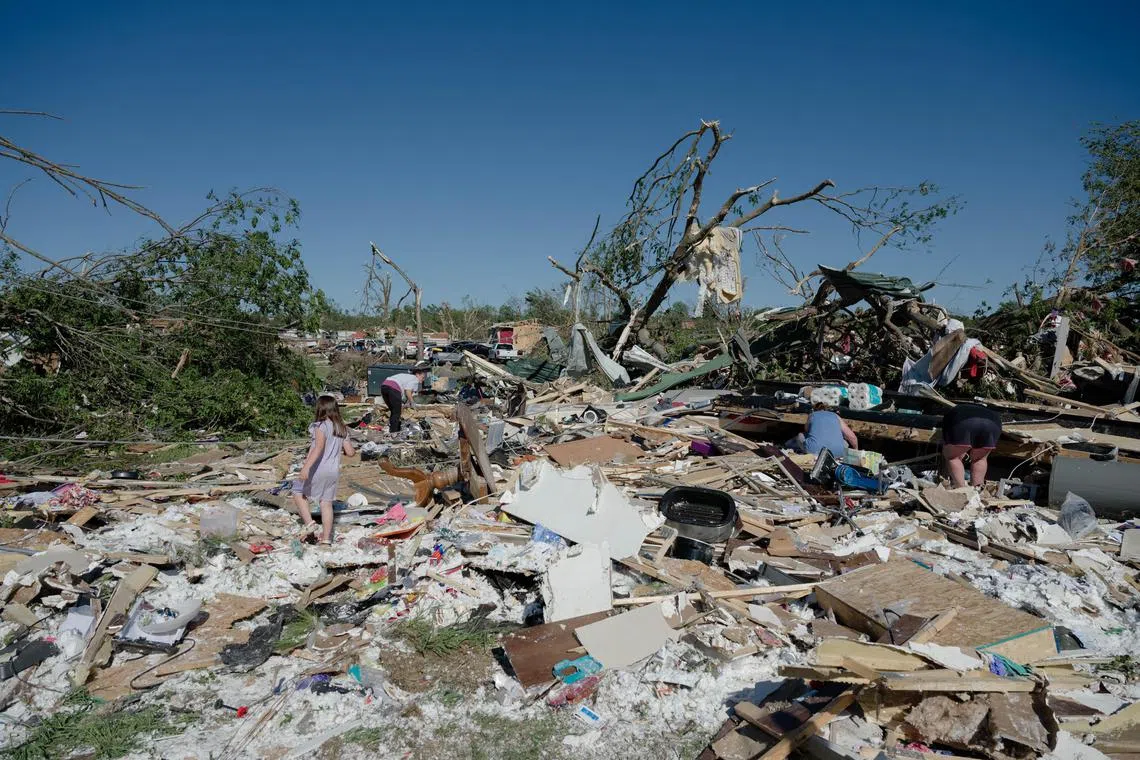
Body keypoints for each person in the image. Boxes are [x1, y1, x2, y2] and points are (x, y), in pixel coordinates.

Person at [291, 395, 355, 544]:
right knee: (326, 503)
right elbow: (351, 453)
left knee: (297, 491)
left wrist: (305, 468)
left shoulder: (320, 426)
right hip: (333, 470)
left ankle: (309, 524)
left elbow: (318, 448)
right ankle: (326, 539)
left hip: (319, 468)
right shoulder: (341, 427)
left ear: (320, 408)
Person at [941, 403, 1002, 488]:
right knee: (979, 459)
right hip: (993, 423)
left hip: (963, 421)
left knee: (954, 457)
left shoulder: (953, 412)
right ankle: (977, 489)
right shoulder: (984, 409)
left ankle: (961, 489)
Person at [791, 402, 859, 459]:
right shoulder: (835, 416)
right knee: (844, 441)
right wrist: (856, 451)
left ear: (814, 410)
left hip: (815, 452)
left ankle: (807, 453)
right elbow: (852, 437)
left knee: (800, 435)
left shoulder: (812, 415)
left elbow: (807, 430)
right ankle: (838, 453)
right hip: (838, 453)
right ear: (827, 409)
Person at [380, 363, 430, 433]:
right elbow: (408, 391)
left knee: (394, 411)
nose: (423, 379)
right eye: (423, 377)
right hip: (394, 387)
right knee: (397, 413)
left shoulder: (408, 377)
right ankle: (394, 433)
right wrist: (412, 403)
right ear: (417, 374)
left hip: (384, 386)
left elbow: (410, 393)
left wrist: (407, 403)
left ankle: (392, 430)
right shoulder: (415, 379)